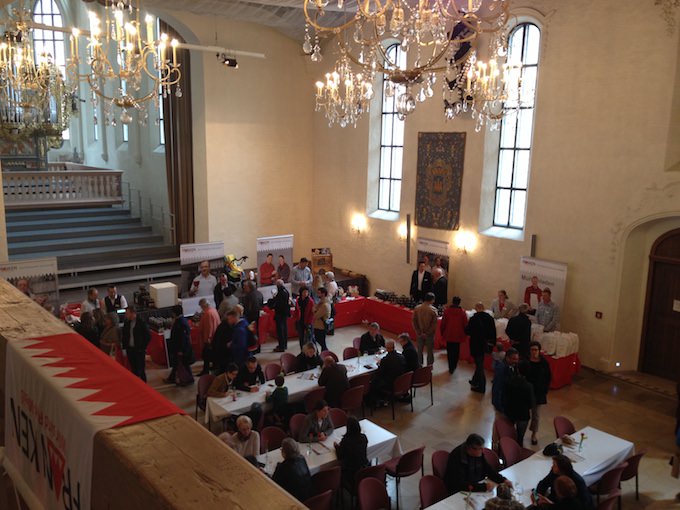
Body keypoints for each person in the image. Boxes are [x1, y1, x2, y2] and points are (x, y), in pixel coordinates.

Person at [444, 433, 511, 495]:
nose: (483, 451)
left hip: (475, 484)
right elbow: (459, 484)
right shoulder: (457, 457)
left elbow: (488, 469)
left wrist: (503, 480)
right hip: (458, 491)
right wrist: (483, 487)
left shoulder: (478, 454)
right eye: (480, 449)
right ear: (471, 449)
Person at [465, 302, 496, 393]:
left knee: (479, 365)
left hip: (476, 344)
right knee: (479, 362)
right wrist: (492, 344)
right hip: (486, 344)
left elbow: (467, 331)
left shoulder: (473, 319)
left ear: (476, 308)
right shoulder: (490, 318)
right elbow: (493, 332)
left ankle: (481, 387)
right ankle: (475, 380)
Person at [503, 362, 535, 446]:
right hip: (523, 414)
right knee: (520, 438)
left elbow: (504, 395)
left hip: (509, 411)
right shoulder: (529, 386)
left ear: (517, 370)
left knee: (508, 434)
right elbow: (531, 403)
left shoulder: (509, 381)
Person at [526, 341, 552, 445]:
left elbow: (548, 377)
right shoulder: (526, 361)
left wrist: (545, 390)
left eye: (536, 350)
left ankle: (534, 434)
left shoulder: (544, 363)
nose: (534, 352)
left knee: (536, 415)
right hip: (526, 391)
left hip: (538, 393)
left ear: (539, 350)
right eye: (532, 350)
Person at [334, 416, 369, 487]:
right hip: (364, 468)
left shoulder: (346, 440)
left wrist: (336, 447)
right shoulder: (363, 437)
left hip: (351, 472)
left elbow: (340, 456)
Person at [164, 305, 194, 386]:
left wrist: (181, 350)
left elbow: (183, 338)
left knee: (183, 364)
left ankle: (188, 379)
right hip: (179, 348)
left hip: (181, 349)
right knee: (178, 364)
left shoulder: (180, 323)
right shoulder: (181, 321)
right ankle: (172, 378)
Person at [370, 340, 405, 405]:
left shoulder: (386, 360)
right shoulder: (401, 356)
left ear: (387, 348)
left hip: (390, 384)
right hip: (400, 382)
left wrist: (378, 365)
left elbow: (379, 373)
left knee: (373, 381)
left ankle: (376, 401)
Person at [440, 296, 468, 374]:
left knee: (449, 351)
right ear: (459, 302)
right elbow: (465, 324)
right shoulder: (462, 312)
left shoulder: (447, 311)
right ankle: (454, 365)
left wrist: (442, 332)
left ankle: (450, 367)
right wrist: (465, 334)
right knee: (456, 351)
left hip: (449, 333)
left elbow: (443, 323)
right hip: (458, 334)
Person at [122, 306, 151, 382]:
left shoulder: (141, 322)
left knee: (141, 369)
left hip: (139, 350)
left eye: (127, 313)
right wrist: (124, 348)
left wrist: (143, 347)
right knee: (133, 368)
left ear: (133, 313)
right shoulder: (127, 322)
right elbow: (124, 335)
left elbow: (148, 336)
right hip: (130, 349)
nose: (126, 315)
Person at [492, 348, 520, 415]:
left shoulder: (514, 368)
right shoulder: (501, 369)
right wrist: (500, 408)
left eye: (517, 359)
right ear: (507, 358)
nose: (516, 361)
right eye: (514, 359)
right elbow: (497, 389)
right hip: (502, 405)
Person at [413, 292, 438, 366]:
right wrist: (427, 333)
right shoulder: (433, 310)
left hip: (419, 333)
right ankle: (429, 366)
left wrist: (418, 331)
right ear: (432, 300)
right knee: (430, 351)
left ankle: (419, 364)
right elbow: (434, 324)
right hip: (429, 334)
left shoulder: (417, 308)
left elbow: (414, 321)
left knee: (419, 350)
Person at [198, 298, 221, 375]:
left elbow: (209, 327)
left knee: (206, 356)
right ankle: (214, 367)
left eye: (201, 306)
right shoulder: (214, 310)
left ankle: (206, 370)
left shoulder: (208, 313)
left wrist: (207, 338)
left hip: (210, 339)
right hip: (215, 337)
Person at [269, 279, 291, 353]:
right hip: (284, 313)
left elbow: (278, 304)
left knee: (280, 330)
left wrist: (273, 301)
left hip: (280, 314)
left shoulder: (280, 293)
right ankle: (284, 344)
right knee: (284, 329)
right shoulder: (286, 291)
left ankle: (281, 346)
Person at [312, 287, 331, 351]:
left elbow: (316, 315)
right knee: (321, 342)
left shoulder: (324, 305)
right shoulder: (321, 302)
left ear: (323, 294)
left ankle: (325, 353)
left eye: (319, 293)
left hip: (321, 326)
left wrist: (315, 310)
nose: (317, 294)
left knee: (322, 342)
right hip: (318, 325)